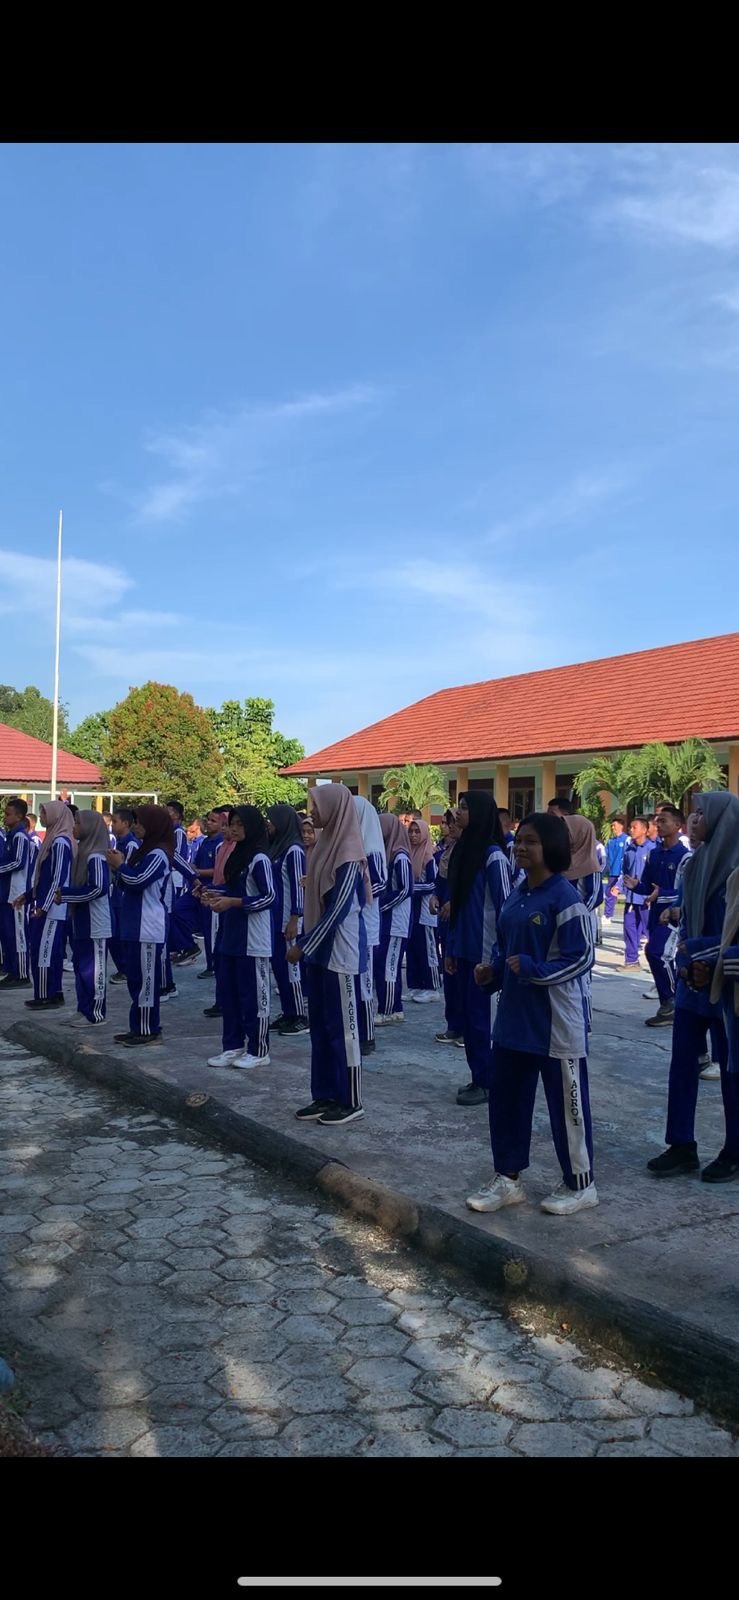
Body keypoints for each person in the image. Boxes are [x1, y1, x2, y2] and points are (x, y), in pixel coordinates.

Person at [466, 812, 597, 1217]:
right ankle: (508, 1179)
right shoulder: (517, 895)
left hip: (556, 1024)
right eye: (519, 840)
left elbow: (582, 959)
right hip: (513, 1021)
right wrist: (493, 972)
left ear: (552, 848)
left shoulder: (566, 899)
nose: (521, 847)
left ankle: (580, 1183)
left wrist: (535, 970)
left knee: (567, 1107)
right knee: (506, 1100)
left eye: (532, 841)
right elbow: (505, 951)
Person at [648, 792, 739, 1182]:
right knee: (683, 1064)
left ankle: (734, 1149)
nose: (694, 819)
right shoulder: (694, 863)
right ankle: (681, 1144)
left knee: (732, 1070)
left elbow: (729, 933)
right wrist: (687, 962)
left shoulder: (735, 870)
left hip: (727, 987)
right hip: (692, 983)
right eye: (694, 813)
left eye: (702, 814)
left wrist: (702, 956)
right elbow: (687, 924)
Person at [288, 783, 370, 1125]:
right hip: (320, 954)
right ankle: (323, 1094)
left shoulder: (349, 853)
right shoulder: (323, 846)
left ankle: (349, 1100)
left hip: (339, 953)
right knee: (321, 1026)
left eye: (317, 806)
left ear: (335, 807)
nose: (312, 812)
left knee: (343, 1029)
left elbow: (337, 911)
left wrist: (304, 944)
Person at [446, 791, 513, 1107]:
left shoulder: (493, 856)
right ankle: (478, 1077)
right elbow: (458, 903)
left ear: (481, 813)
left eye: (464, 807)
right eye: (458, 806)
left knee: (481, 1021)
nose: (457, 812)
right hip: (463, 948)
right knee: (469, 1020)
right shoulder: (462, 850)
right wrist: (451, 948)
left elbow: (506, 905)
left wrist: (501, 955)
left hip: (485, 952)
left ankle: (488, 1082)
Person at [203, 807, 275, 1071]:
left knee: (253, 996)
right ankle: (232, 1045)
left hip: (253, 938)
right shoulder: (237, 856)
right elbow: (232, 888)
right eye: (231, 824)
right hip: (232, 934)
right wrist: (213, 894)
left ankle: (259, 1048)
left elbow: (268, 897)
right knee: (230, 993)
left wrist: (233, 902)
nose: (234, 829)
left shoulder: (259, 859)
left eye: (239, 825)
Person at [115, 805, 174, 1046]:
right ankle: (137, 1026)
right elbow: (125, 883)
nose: (136, 825)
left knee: (146, 983)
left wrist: (119, 866)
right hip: (134, 924)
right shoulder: (143, 851)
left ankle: (149, 1029)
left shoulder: (158, 854)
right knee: (135, 980)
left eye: (140, 822)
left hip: (148, 926)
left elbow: (137, 881)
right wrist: (120, 869)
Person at [628, 804, 689, 1026]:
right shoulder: (654, 854)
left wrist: (661, 894)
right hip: (655, 913)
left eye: (664, 821)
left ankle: (673, 1001)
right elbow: (648, 886)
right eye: (657, 821)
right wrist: (636, 886)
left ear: (678, 825)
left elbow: (686, 891)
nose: (659, 825)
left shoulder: (685, 857)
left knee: (657, 953)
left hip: (673, 916)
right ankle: (668, 1003)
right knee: (656, 954)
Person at [56, 809, 112, 1027]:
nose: (74, 827)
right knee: (81, 966)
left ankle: (95, 1014)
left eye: (78, 823)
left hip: (96, 922)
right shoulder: (83, 852)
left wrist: (67, 894)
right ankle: (83, 1008)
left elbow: (98, 888)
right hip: (81, 920)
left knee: (93, 970)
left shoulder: (96, 856)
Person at [20, 802, 75, 1009]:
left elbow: (58, 878)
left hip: (52, 908)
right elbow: (43, 878)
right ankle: (53, 992)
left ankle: (45, 994)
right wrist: (29, 895)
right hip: (46, 903)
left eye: (45, 813)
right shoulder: (52, 839)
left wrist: (44, 905)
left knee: (43, 952)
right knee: (47, 951)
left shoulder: (60, 842)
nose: (42, 816)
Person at [265, 803, 309, 1036]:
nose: (269, 824)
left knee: (292, 970)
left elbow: (298, 886)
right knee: (280, 968)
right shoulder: (278, 849)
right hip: (275, 918)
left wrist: (295, 918)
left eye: (272, 820)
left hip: (288, 920)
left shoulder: (294, 850)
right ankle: (288, 1012)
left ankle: (300, 1016)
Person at [352, 796, 387, 1056]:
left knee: (364, 980)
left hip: (365, 920)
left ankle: (367, 1035)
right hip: (350, 923)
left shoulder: (372, 847)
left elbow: (380, 883)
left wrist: (354, 894)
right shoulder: (348, 844)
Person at [374, 813, 413, 1024]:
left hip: (396, 921)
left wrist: (382, 905)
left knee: (387, 965)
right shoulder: (391, 855)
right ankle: (395, 1007)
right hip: (389, 920)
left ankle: (387, 1010)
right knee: (390, 964)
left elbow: (406, 888)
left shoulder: (400, 856)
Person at [430, 810, 464, 1046]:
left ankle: (466, 1028)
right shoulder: (446, 853)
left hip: (463, 923)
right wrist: (435, 896)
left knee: (463, 976)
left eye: (453, 823)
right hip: (445, 921)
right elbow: (440, 882)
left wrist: (455, 902)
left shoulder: (473, 854)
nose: (449, 827)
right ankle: (454, 1025)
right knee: (450, 975)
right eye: (446, 823)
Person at [202, 819, 236, 1020]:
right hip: (219, 898)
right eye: (224, 825)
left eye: (229, 825)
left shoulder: (239, 850)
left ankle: (227, 1000)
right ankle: (221, 1000)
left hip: (229, 903)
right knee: (219, 953)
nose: (226, 829)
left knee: (226, 955)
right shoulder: (221, 847)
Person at [406, 818, 441, 1003]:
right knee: (413, 948)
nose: (413, 835)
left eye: (417, 831)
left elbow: (432, 884)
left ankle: (432, 987)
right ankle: (416, 985)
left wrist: (410, 888)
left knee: (428, 949)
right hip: (412, 909)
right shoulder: (409, 854)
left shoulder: (429, 857)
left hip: (426, 909)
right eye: (411, 831)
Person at [0, 798, 33, 988]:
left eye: (8, 814)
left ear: (19, 816)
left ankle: (22, 975)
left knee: (19, 934)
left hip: (18, 892)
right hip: (8, 892)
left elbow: (18, 862)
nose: (5, 817)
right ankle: (12, 970)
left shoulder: (20, 836)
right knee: (9, 934)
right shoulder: (12, 835)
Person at [165, 800, 199, 976]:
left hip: (175, 877)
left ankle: (188, 945)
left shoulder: (177, 832)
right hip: (173, 875)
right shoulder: (170, 831)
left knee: (174, 912)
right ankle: (179, 947)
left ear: (177, 814)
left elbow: (175, 854)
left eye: (169, 811)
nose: (166, 813)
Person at [192, 810, 226, 979]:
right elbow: (195, 865)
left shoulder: (221, 844)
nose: (209, 823)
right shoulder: (205, 842)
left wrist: (197, 872)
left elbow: (217, 871)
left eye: (213, 820)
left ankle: (213, 964)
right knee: (180, 913)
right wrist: (195, 877)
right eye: (208, 820)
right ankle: (189, 947)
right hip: (200, 888)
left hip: (213, 891)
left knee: (212, 931)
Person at [107, 808, 139, 982]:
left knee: (120, 934)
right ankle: (123, 967)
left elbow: (129, 870)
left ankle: (126, 969)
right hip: (117, 892)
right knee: (114, 934)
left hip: (124, 894)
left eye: (115, 821)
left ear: (126, 824)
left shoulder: (131, 844)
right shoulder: (119, 842)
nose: (112, 824)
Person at [618, 816, 654, 972]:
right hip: (632, 898)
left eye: (635, 827)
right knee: (629, 928)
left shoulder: (652, 849)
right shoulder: (629, 849)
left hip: (647, 898)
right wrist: (619, 886)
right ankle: (631, 961)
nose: (631, 830)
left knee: (650, 931)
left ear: (645, 830)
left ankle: (656, 963)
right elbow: (625, 872)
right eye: (630, 827)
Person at [603, 814, 628, 921]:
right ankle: (608, 915)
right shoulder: (610, 842)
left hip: (624, 873)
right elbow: (605, 858)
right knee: (610, 893)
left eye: (614, 825)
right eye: (612, 826)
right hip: (613, 872)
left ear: (621, 826)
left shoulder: (627, 839)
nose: (613, 828)